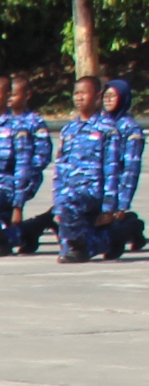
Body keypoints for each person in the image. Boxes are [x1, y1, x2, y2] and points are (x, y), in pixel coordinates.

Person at [52, 74, 141, 260]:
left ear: (97, 97)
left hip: (92, 192)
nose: (79, 97)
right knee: (71, 243)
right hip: (70, 193)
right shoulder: (69, 130)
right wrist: (57, 200)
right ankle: (112, 238)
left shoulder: (108, 129)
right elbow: (60, 168)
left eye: (85, 93)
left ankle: (94, 243)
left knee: (78, 245)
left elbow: (113, 168)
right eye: (76, 93)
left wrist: (110, 207)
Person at [0, 75, 56, 253]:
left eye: (15, 94)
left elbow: (43, 154)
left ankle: (19, 233)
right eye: (9, 94)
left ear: (27, 95)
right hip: (1, 175)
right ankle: (23, 234)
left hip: (26, 175)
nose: (11, 99)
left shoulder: (34, 122)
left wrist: (26, 170)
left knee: (12, 207)